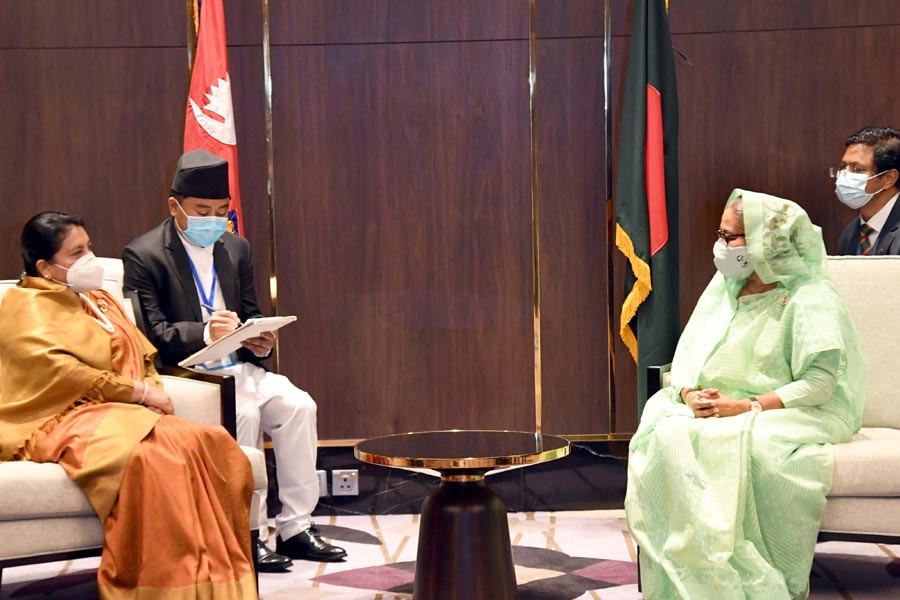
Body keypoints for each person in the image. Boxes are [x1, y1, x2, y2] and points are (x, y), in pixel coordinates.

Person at [0, 212, 257, 598]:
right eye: (78, 252)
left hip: (122, 410)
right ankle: (164, 585)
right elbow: (63, 374)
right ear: (44, 267)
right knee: (155, 460)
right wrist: (138, 394)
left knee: (208, 443)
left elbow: (142, 353)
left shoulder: (98, 299)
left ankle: (212, 575)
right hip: (58, 416)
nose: (91, 258)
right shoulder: (26, 306)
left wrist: (150, 391)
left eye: (90, 247)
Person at [626, 190, 864, 599]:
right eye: (720, 233)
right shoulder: (726, 284)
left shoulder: (811, 298)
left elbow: (819, 385)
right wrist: (687, 393)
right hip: (718, 405)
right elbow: (688, 354)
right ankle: (685, 567)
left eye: (731, 236)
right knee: (666, 431)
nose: (720, 245)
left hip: (789, 407)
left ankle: (735, 571)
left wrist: (747, 406)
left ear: (766, 242)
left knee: (742, 443)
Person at [122, 149, 346, 570]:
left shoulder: (235, 248)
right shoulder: (143, 254)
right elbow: (151, 334)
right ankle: (249, 531)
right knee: (240, 412)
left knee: (299, 406)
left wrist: (259, 338)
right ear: (175, 206)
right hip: (191, 374)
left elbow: (250, 310)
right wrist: (206, 332)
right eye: (202, 210)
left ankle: (297, 527)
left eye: (221, 210)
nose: (213, 219)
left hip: (240, 365)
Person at [833, 126, 900, 255]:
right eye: (843, 167)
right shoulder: (849, 234)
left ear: (888, 178)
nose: (844, 176)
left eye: (857, 169)